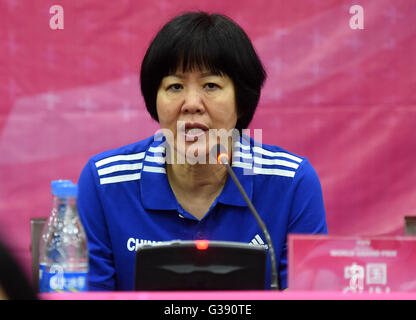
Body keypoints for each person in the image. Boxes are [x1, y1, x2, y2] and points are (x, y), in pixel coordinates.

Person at [77, 11, 328, 291]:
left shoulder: (291, 182)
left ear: (242, 100)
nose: (192, 104)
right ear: (154, 100)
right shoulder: (105, 182)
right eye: (175, 86)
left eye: (211, 85)